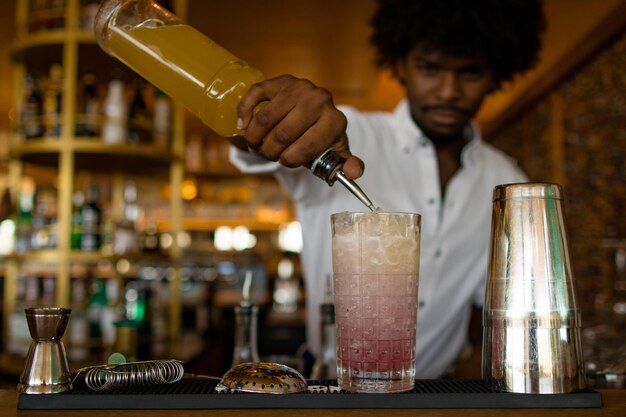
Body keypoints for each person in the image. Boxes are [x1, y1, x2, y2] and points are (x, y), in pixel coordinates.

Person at [229, 0, 546, 378]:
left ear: (497, 74)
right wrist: (266, 117)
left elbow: (492, 311)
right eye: (430, 68)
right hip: (332, 390)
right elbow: (251, 146)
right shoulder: (345, 135)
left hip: (438, 398)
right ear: (399, 64)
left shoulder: (506, 179)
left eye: (470, 73)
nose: (448, 90)